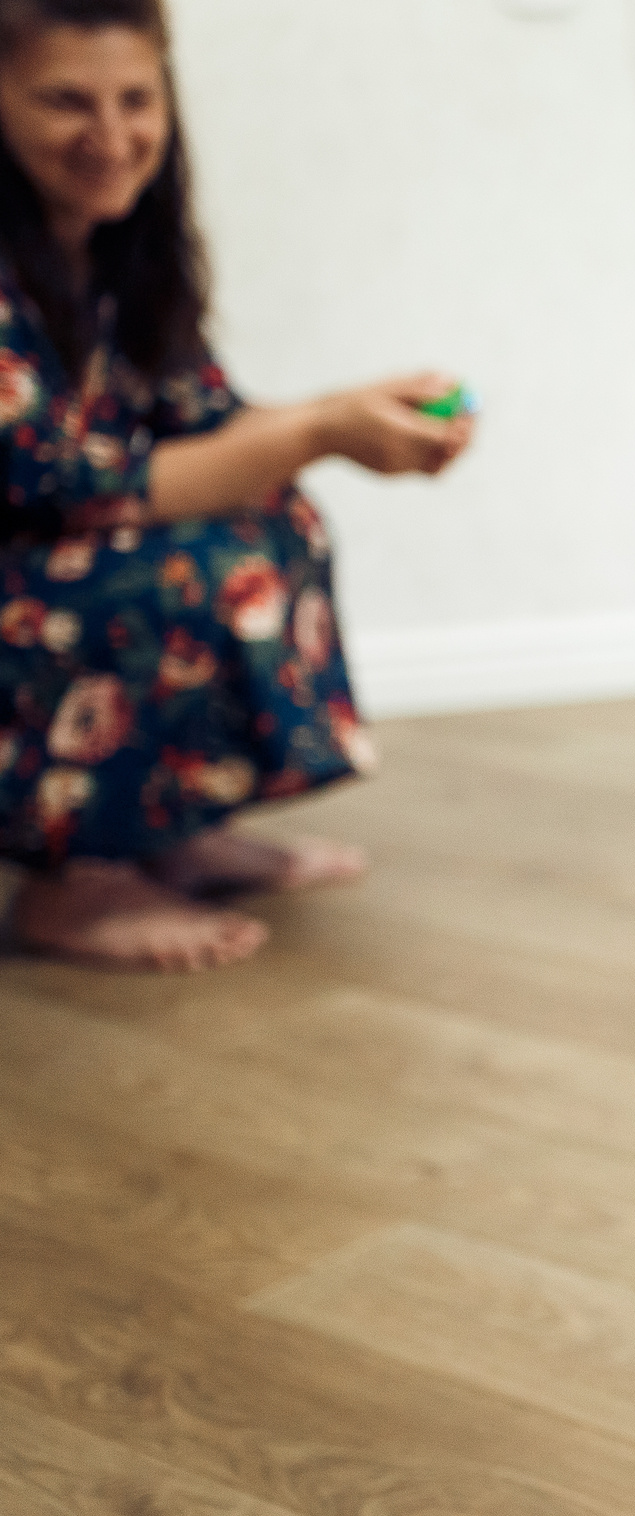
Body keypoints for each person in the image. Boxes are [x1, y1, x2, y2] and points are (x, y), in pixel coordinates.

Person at [0, 0, 472, 972]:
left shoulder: (115, 253)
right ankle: (72, 886)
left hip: (44, 559)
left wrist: (352, 414)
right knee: (164, 574)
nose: (112, 137)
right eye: (66, 102)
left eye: (136, 100)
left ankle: (168, 830)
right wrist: (319, 431)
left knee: (273, 516)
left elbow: (207, 429)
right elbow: (67, 484)